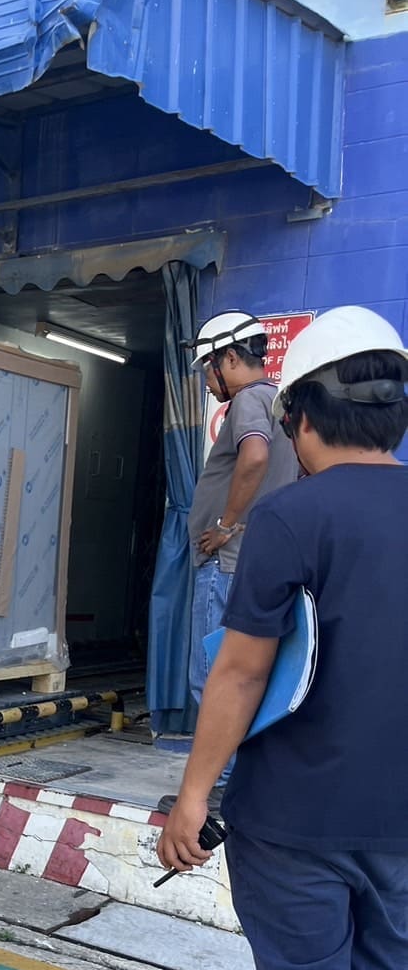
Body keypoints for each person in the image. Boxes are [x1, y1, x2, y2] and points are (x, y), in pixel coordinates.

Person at [157, 306, 408, 970]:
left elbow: (239, 673)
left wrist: (192, 797)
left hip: (296, 821)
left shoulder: (291, 517)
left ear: (300, 416)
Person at [177, 312, 299, 803]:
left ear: (230, 357)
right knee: (246, 677)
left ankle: (220, 784)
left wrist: (225, 525)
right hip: (254, 561)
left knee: (211, 679)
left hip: (226, 563)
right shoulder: (281, 405)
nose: (208, 382)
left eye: (208, 368)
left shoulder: (249, 399)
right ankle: (242, 779)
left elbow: (254, 457)